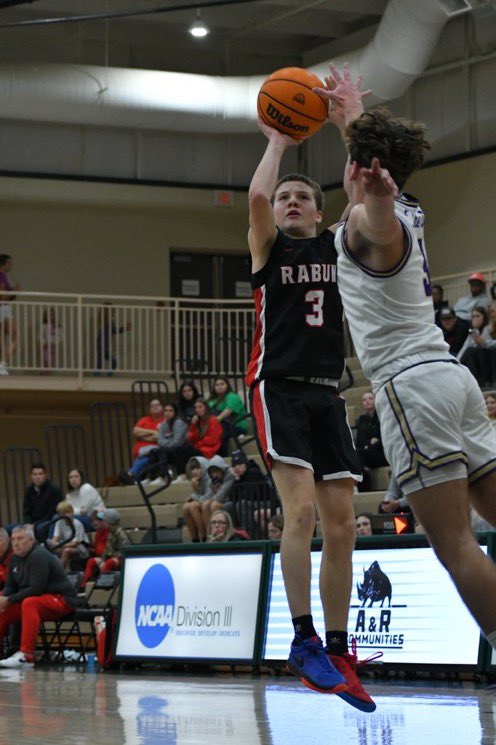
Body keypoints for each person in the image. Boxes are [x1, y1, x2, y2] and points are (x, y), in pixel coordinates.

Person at [334, 106, 496, 666]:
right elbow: (373, 191)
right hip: (454, 380)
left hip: (412, 388)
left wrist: (374, 200)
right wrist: (349, 117)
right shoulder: (408, 203)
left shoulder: (372, 217)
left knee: (455, 547)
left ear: (360, 169)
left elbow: (375, 226)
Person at [245, 64, 374, 710]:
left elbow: (365, 193)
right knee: (299, 513)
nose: (291, 202)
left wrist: (347, 119)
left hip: (327, 391)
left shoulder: (337, 246)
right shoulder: (269, 249)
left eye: (303, 197)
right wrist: (277, 141)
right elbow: (258, 201)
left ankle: (339, 645)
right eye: (287, 196)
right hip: (277, 386)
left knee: (344, 524)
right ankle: (300, 640)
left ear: (320, 212)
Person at [0, 524, 80, 668]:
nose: (16, 543)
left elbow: (37, 588)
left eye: (20, 538)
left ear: (31, 540)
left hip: (62, 599)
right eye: (13, 539)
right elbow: (10, 586)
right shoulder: (15, 558)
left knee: (30, 602)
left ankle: (26, 656)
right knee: (4, 608)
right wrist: (3, 599)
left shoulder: (39, 555)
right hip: (39, 599)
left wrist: (9, 599)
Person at [166, 398, 223, 480]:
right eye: (196, 407)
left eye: (200, 407)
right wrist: (193, 425)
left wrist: (197, 444)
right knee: (177, 450)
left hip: (208, 452)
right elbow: (191, 439)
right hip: (198, 449)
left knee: (185, 449)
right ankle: (180, 475)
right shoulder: (198, 421)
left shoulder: (213, 420)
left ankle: (182, 475)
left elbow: (212, 441)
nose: (198, 409)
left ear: (206, 407)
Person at [80, 509, 129, 588]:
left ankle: (103, 584)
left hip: (121, 558)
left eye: (105, 520)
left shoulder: (121, 533)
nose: (103, 522)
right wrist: (102, 560)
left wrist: (110, 558)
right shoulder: (110, 533)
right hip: (113, 556)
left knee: (110, 562)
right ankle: (83, 585)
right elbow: (107, 549)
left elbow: (124, 550)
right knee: (92, 561)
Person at [144, 402, 188, 486]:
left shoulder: (179, 423)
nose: (167, 413)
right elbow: (159, 440)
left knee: (163, 450)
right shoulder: (164, 424)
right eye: (166, 410)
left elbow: (177, 442)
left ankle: (163, 477)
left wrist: (165, 441)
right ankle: (150, 477)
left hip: (181, 450)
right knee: (153, 451)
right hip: (170, 450)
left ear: (175, 412)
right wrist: (167, 441)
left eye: (170, 411)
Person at [124, 399, 166, 482]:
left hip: (155, 449)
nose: (155, 407)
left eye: (157, 405)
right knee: (145, 457)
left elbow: (157, 437)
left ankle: (132, 475)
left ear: (162, 407)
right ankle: (136, 477)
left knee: (148, 456)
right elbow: (135, 431)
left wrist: (142, 436)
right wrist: (153, 431)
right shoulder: (144, 419)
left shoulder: (165, 421)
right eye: (152, 406)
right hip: (140, 451)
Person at [21, 463, 63, 543]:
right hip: (32, 523)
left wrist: (35, 525)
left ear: (45, 475)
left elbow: (52, 513)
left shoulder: (54, 490)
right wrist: (28, 524)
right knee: (10, 529)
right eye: (35, 474)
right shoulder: (28, 490)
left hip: (49, 522)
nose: (37, 477)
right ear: (31, 476)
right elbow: (26, 511)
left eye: (40, 474)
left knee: (40, 529)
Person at [355, 391, 388, 491]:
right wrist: (371, 442)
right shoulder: (362, 419)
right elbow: (360, 441)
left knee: (359, 454)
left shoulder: (382, 416)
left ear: (375, 400)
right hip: (368, 453)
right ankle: (361, 485)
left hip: (382, 453)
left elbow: (385, 439)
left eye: (370, 398)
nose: (367, 401)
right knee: (356, 453)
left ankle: (355, 484)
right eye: (364, 400)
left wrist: (369, 444)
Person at [207, 377, 248, 454]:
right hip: (220, 425)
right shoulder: (211, 400)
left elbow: (227, 411)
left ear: (227, 385)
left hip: (236, 426)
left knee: (218, 433)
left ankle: (222, 456)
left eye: (222, 384)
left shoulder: (232, 396)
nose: (219, 386)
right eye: (217, 385)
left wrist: (213, 422)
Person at [457, 306, 495, 388]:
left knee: (476, 351)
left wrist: (484, 343)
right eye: (473, 316)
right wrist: (457, 360)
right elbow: (465, 347)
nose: (475, 318)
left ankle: (487, 381)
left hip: (489, 356)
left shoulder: (489, 328)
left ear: (484, 317)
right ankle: (474, 385)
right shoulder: (473, 331)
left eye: (478, 316)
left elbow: (489, 344)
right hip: (478, 359)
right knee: (471, 357)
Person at [47, 501, 90, 571]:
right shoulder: (59, 523)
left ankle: (59, 572)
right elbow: (55, 538)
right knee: (49, 548)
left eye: (68, 512)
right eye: (63, 513)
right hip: (64, 545)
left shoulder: (77, 524)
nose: (66, 515)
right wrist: (53, 544)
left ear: (72, 512)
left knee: (66, 551)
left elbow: (75, 543)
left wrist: (61, 545)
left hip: (80, 548)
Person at [95, 303, 131, 374]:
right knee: (107, 361)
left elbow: (113, 331)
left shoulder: (105, 321)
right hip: (102, 343)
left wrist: (125, 328)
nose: (114, 312)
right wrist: (125, 328)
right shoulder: (107, 321)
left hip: (102, 343)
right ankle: (98, 373)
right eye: (113, 310)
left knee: (104, 360)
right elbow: (114, 330)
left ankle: (100, 373)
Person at [182, 456, 210, 542]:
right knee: (185, 507)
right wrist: (193, 494)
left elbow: (207, 496)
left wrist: (194, 496)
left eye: (198, 468)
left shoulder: (209, 477)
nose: (194, 471)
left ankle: (204, 538)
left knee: (193, 506)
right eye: (192, 469)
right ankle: (195, 539)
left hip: (212, 501)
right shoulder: (198, 479)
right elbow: (199, 493)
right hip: (204, 501)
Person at [0, 253, 18, 375]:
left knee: (8, 337)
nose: (11, 265)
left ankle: (2, 364)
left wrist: (13, 293)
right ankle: (2, 364)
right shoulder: (1, 276)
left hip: (5, 307)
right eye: (9, 263)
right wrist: (13, 292)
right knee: (13, 336)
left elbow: (7, 296)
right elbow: (3, 296)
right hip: (2, 308)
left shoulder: (5, 276)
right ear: (4, 264)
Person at [40, 308, 62, 372]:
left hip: (53, 346)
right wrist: (44, 343)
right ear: (45, 316)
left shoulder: (57, 326)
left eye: (52, 315)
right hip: (46, 346)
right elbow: (40, 336)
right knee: (45, 359)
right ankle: (44, 372)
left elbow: (60, 336)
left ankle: (48, 372)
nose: (50, 317)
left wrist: (55, 343)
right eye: (48, 315)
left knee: (51, 360)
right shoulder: (44, 326)